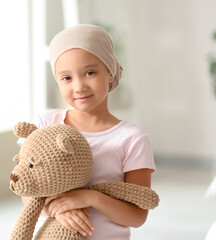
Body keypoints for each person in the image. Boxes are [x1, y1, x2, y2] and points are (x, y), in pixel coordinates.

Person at [18, 24, 156, 240]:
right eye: (66, 78)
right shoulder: (46, 124)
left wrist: (91, 198)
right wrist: (63, 210)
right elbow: (29, 192)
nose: (79, 86)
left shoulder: (132, 138)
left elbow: (137, 216)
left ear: (110, 73)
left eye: (89, 73)